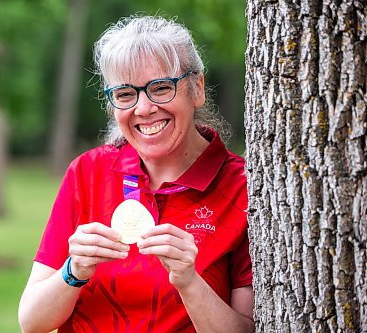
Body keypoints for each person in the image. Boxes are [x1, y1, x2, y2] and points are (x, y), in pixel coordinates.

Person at [19, 14, 254, 333]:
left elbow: (246, 329)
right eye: (126, 94)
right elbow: (31, 322)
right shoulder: (88, 171)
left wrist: (188, 281)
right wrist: (73, 271)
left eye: (160, 88)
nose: (143, 108)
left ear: (196, 88)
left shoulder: (243, 187)